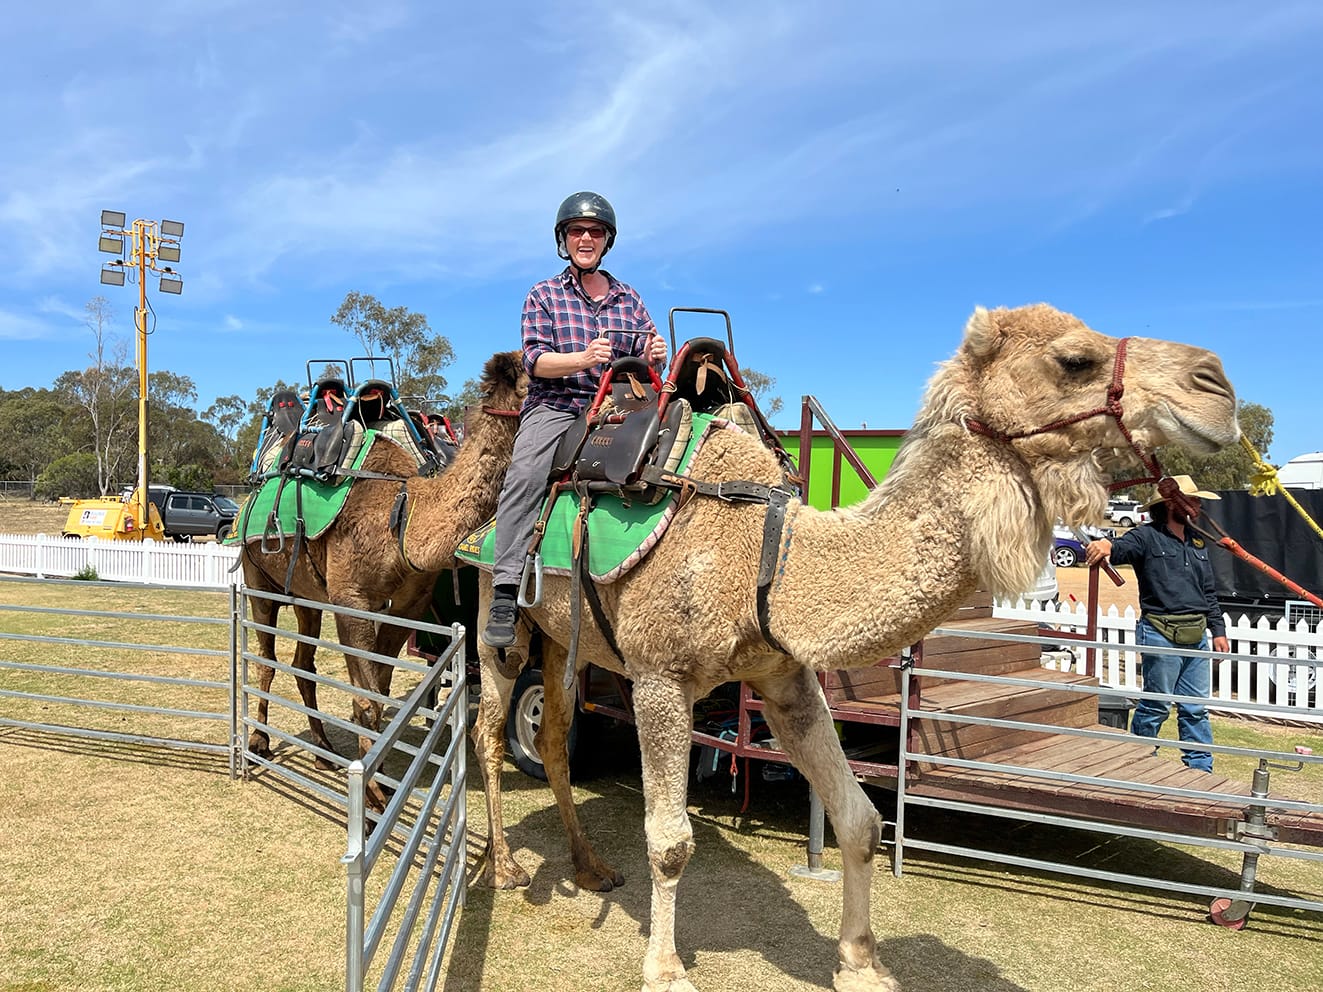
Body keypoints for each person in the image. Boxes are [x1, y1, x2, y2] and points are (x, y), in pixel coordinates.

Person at [483, 191, 667, 648]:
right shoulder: (543, 294)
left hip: (620, 404)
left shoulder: (628, 297)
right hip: (558, 404)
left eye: (595, 231)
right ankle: (506, 588)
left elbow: (643, 355)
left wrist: (653, 355)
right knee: (524, 475)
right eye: (577, 231)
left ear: (607, 240)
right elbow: (534, 361)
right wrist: (582, 358)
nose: (586, 238)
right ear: (564, 239)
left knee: (676, 455)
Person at [1084, 475, 1229, 772]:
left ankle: (1201, 771)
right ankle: (1139, 764)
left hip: (1197, 633)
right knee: (1156, 706)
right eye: (1192, 499)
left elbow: (1208, 591)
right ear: (1170, 503)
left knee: (1195, 709)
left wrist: (1218, 630)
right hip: (1159, 632)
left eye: (1197, 499)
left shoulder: (1198, 540)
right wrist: (1104, 544)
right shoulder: (1146, 536)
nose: (1198, 504)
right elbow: (1119, 547)